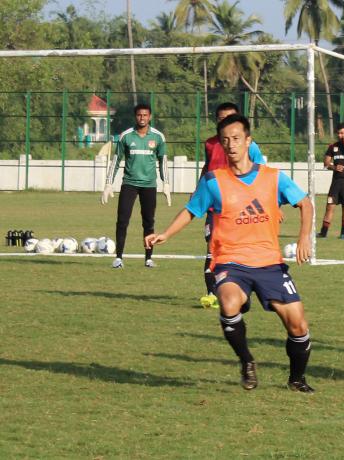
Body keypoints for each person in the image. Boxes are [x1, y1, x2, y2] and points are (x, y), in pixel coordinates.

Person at [145, 114, 316, 393]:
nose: (231, 144)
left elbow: (305, 204)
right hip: (230, 261)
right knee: (228, 303)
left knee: (298, 325)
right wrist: (166, 233)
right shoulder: (213, 181)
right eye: (225, 140)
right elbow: (191, 210)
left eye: (236, 138)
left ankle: (297, 379)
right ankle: (247, 361)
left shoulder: (273, 178)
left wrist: (304, 238)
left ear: (248, 141)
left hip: (269, 263)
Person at [199, 102, 265, 309]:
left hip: (242, 208)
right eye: (221, 118)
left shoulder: (249, 146)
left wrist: (270, 204)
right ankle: (212, 293)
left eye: (230, 118)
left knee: (240, 250)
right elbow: (207, 167)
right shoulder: (210, 144)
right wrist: (199, 190)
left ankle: (242, 290)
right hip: (215, 207)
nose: (226, 122)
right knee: (213, 249)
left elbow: (262, 174)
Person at [101, 103, 171, 269]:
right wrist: (108, 183)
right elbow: (116, 160)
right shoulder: (126, 136)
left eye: (145, 115)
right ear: (135, 116)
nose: (142, 118)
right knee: (122, 220)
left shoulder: (158, 137)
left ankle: (148, 259)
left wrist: (166, 183)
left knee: (149, 222)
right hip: (129, 184)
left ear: (150, 117)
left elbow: (163, 162)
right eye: (139, 115)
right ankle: (118, 258)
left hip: (149, 185)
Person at [316, 122, 344, 240]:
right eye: (338, 133)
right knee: (330, 206)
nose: (340, 135)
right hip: (335, 182)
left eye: (342, 133)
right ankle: (323, 233)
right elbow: (326, 163)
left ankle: (343, 234)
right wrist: (334, 167)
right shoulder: (332, 146)